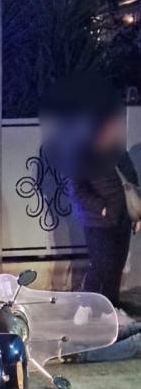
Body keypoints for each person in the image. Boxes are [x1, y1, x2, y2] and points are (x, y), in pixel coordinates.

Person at [42, 74, 139, 308]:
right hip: (98, 220)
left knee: (115, 267)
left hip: (122, 218)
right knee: (102, 267)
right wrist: (102, 208)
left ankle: (111, 309)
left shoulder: (118, 151)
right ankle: (86, 308)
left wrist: (135, 212)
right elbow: (76, 189)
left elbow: (132, 181)